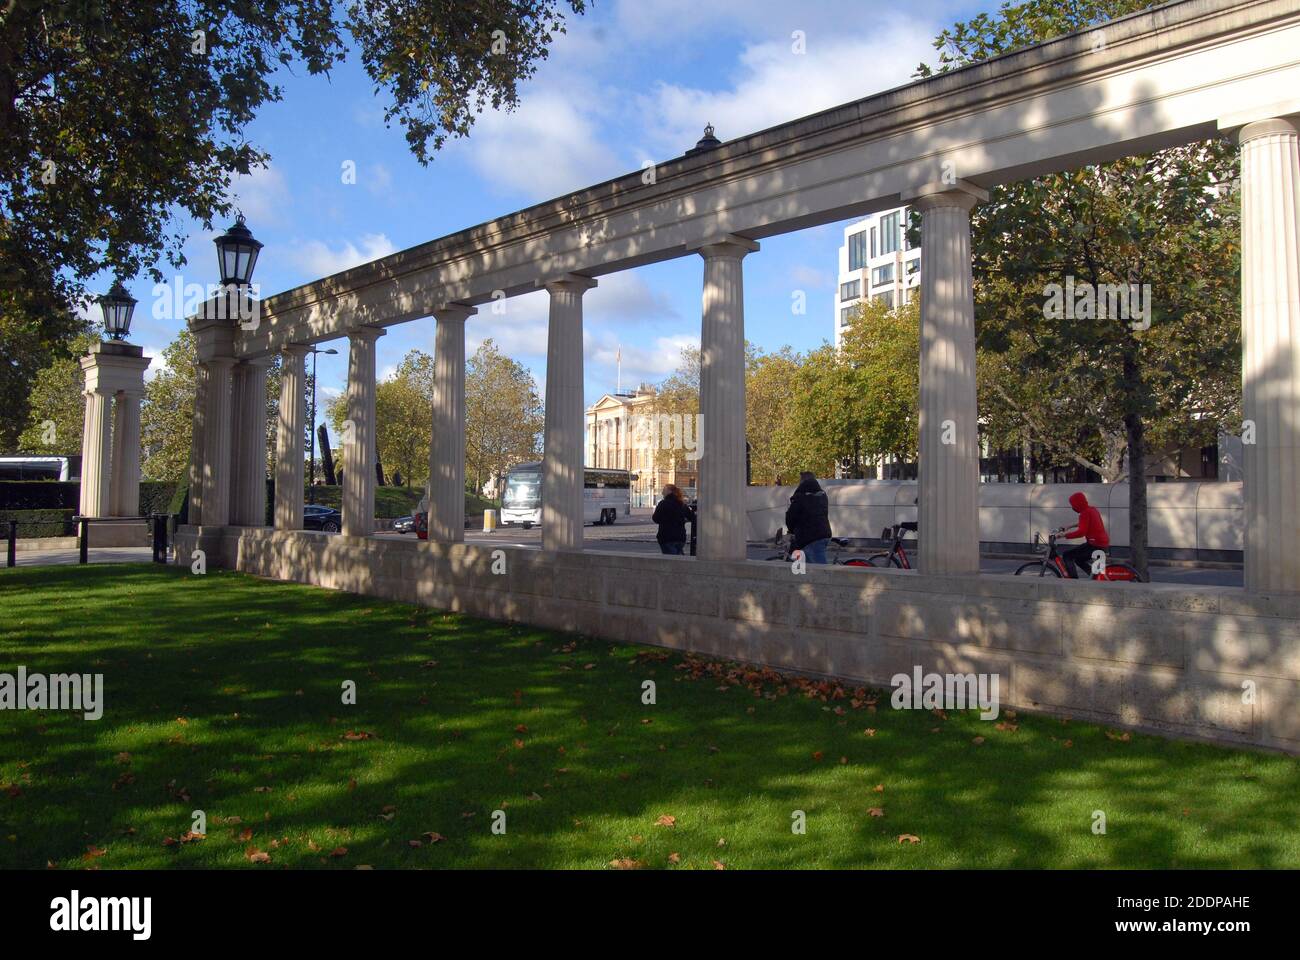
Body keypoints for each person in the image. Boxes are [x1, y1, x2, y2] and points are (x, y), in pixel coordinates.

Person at [1058, 491, 1109, 578]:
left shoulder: (1084, 513)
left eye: (1073, 505)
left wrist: (1063, 535)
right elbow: (1084, 523)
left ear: (1077, 504)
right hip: (1101, 543)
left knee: (1067, 555)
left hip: (1095, 545)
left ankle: (1073, 581)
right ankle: (1095, 576)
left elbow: (1081, 532)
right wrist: (1069, 526)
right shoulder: (1092, 509)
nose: (1072, 507)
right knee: (1078, 559)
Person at [784, 471, 833, 564]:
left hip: (809, 537)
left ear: (802, 481)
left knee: (820, 571)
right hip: (824, 534)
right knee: (810, 567)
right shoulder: (822, 495)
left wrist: (791, 530)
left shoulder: (800, 497)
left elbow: (791, 517)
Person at [652, 484, 692, 555]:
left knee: (671, 562)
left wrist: (664, 519)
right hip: (680, 537)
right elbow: (691, 517)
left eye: (664, 490)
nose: (662, 492)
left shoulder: (663, 503)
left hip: (667, 537)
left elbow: (655, 518)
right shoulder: (681, 504)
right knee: (679, 560)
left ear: (669, 491)